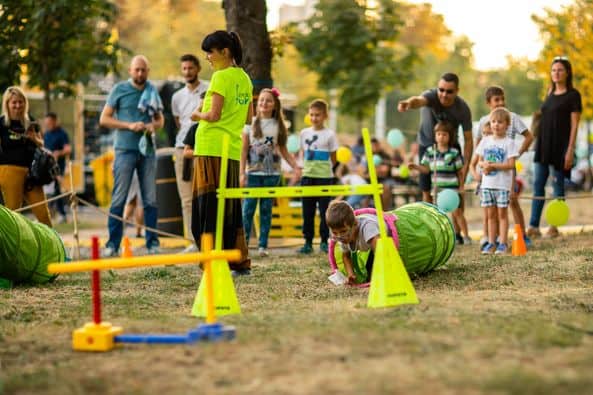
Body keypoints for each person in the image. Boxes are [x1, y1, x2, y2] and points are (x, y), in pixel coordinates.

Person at [190, 30, 253, 276]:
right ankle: (238, 260)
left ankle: (211, 260)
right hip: (232, 149)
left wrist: (197, 115)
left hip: (210, 146)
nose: (207, 57)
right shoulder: (246, 79)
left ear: (224, 52)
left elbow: (213, 116)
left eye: (210, 52)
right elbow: (249, 117)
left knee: (205, 209)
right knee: (229, 207)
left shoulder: (220, 77)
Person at [99, 55, 164, 256]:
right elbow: (104, 119)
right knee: (119, 198)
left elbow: (160, 121)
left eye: (143, 70)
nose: (140, 73)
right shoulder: (119, 90)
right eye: (136, 70)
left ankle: (152, 243)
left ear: (148, 71)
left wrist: (150, 126)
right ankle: (112, 245)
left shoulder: (152, 91)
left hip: (147, 151)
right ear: (130, 71)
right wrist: (129, 125)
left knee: (150, 199)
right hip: (124, 150)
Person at [240, 88, 301, 257]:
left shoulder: (279, 126)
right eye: (261, 100)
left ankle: (262, 246)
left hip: (271, 174)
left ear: (275, 105)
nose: (264, 103)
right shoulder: (250, 125)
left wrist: (296, 166)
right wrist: (241, 173)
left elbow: (283, 150)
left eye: (268, 100)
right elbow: (244, 150)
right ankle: (244, 243)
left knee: (266, 209)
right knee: (248, 209)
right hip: (253, 173)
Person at [397, 72, 473, 204]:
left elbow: (468, 139)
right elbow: (419, 101)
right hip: (427, 146)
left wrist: (465, 167)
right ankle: (431, 221)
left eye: (449, 91)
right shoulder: (431, 96)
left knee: (456, 195)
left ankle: (456, 222)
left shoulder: (462, 109)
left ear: (457, 91)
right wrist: (408, 103)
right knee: (426, 190)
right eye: (441, 90)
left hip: (450, 148)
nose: (444, 94)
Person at [527, 57, 582, 239]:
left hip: (561, 148)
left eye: (560, 70)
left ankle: (554, 226)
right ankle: (533, 226)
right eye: (553, 70)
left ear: (567, 73)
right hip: (543, 145)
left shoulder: (573, 95)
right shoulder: (549, 92)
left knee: (558, 188)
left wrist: (570, 150)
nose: (556, 73)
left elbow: (574, 125)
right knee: (538, 185)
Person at [476, 86, 534, 247]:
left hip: (507, 168)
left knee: (513, 201)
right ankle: (488, 238)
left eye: (502, 98)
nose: (501, 102)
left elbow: (529, 136)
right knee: (489, 207)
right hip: (488, 172)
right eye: (496, 100)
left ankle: (521, 235)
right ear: (488, 103)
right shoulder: (483, 121)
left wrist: (517, 154)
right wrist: (477, 169)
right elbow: (478, 147)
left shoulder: (513, 117)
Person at [171, 54, 210, 252]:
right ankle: (192, 242)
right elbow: (180, 123)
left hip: (205, 148)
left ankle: (208, 240)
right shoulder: (177, 97)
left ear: (198, 68)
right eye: (184, 68)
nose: (187, 72)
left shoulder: (210, 89)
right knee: (186, 198)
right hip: (182, 149)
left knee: (205, 195)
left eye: (191, 68)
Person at [409, 121, 470, 244]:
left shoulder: (454, 152)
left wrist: (462, 186)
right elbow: (426, 169)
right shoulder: (431, 152)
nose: (441, 137)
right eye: (439, 134)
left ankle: (466, 236)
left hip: (451, 189)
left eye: (444, 135)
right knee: (437, 214)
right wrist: (416, 167)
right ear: (435, 136)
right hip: (437, 189)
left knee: (457, 212)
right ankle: (440, 237)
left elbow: (460, 171)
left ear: (449, 137)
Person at [0, 86, 52, 226]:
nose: (18, 105)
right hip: (9, 171)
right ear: (7, 104)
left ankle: (52, 245)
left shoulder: (31, 121)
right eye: (14, 102)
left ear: (25, 103)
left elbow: (41, 144)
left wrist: (34, 139)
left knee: (43, 214)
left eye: (21, 102)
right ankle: (12, 247)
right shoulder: (1, 123)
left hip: (32, 173)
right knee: (13, 215)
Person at [474, 108, 519, 254]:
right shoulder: (485, 141)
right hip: (487, 186)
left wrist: (493, 166)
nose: (496, 125)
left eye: (500, 122)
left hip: (502, 186)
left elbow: (511, 165)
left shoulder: (509, 143)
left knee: (502, 215)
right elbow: (479, 162)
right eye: (493, 122)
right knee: (491, 216)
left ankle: (503, 243)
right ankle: (491, 243)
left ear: (507, 125)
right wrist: (484, 165)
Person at [298, 99, 338, 254]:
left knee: (324, 211)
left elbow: (334, 158)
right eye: (312, 115)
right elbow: (303, 153)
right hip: (307, 176)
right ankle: (307, 241)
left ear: (325, 115)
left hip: (324, 177)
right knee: (307, 211)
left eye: (318, 115)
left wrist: (326, 169)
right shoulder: (304, 133)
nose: (315, 118)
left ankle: (323, 240)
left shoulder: (330, 134)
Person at [326, 200, 383, 285]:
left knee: (372, 273)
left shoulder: (368, 227)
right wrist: (350, 274)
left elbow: (380, 251)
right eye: (335, 232)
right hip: (370, 246)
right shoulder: (342, 237)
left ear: (355, 224)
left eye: (343, 231)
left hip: (389, 239)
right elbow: (346, 256)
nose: (339, 236)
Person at [43, 112, 71, 224]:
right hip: (46, 166)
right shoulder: (46, 134)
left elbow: (68, 149)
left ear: (55, 121)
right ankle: (50, 213)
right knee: (49, 191)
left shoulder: (62, 134)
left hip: (58, 167)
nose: (48, 124)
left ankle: (61, 214)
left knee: (57, 190)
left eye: (50, 122)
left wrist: (58, 153)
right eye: (47, 123)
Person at [470, 120, 493, 248]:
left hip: (496, 185)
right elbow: (472, 165)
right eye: (484, 133)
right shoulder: (482, 149)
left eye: (489, 134)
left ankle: (496, 236)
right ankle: (486, 236)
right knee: (486, 213)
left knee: (496, 213)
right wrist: (476, 175)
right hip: (484, 184)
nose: (486, 136)